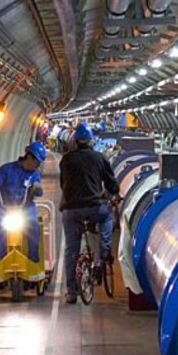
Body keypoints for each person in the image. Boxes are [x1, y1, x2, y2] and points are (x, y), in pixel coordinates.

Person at [60, 123, 119, 304]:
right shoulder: (100, 158)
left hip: (71, 210)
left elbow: (64, 184)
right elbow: (112, 185)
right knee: (107, 217)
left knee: (71, 250)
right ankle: (103, 253)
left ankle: (71, 291)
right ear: (91, 140)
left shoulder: (66, 160)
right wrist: (115, 193)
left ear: (75, 141)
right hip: (95, 207)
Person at [0, 142, 47, 263]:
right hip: (5, 208)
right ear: (29, 157)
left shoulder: (34, 174)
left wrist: (37, 189)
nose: (38, 165)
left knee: (33, 226)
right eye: (37, 162)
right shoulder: (6, 169)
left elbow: (36, 183)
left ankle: (33, 260)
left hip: (26, 209)